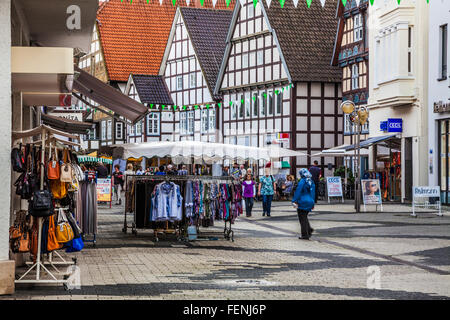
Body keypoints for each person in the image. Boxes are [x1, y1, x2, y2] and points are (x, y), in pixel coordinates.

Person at [292, 168, 316, 240]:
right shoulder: (311, 181)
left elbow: (298, 191)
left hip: (303, 201)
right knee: (304, 217)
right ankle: (309, 229)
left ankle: (305, 235)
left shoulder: (302, 181)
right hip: (310, 200)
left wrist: (294, 200)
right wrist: (313, 203)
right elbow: (313, 193)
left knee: (302, 218)